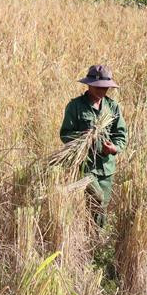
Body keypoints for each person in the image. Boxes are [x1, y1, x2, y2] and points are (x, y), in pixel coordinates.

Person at [60, 65, 128, 227]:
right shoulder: (75, 106)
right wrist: (83, 136)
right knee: (97, 198)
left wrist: (114, 148)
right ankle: (92, 234)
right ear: (89, 85)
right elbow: (65, 134)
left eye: (105, 88)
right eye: (98, 87)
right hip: (85, 165)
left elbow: (121, 135)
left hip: (106, 167)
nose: (102, 91)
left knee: (100, 207)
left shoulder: (112, 107)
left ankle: (95, 238)